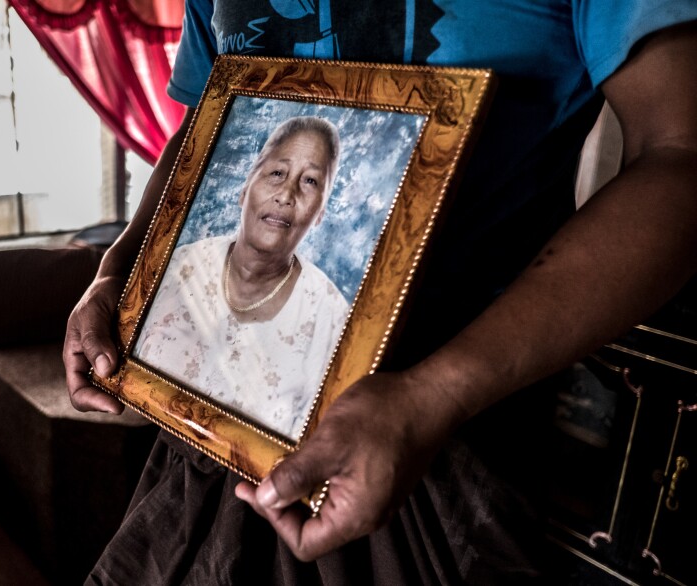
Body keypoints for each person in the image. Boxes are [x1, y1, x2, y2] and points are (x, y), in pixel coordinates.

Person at [63, 2, 697, 583]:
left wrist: (433, 396)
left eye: (311, 181)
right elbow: (205, 125)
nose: (287, 193)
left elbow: (680, 154)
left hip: (445, 457)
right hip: (210, 441)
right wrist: (116, 270)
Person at [133, 115, 349, 439]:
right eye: (277, 173)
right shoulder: (179, 266)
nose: (286, 194)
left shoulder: (330, 316)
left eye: (310, 182)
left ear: (320, 213)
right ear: (245, 188)